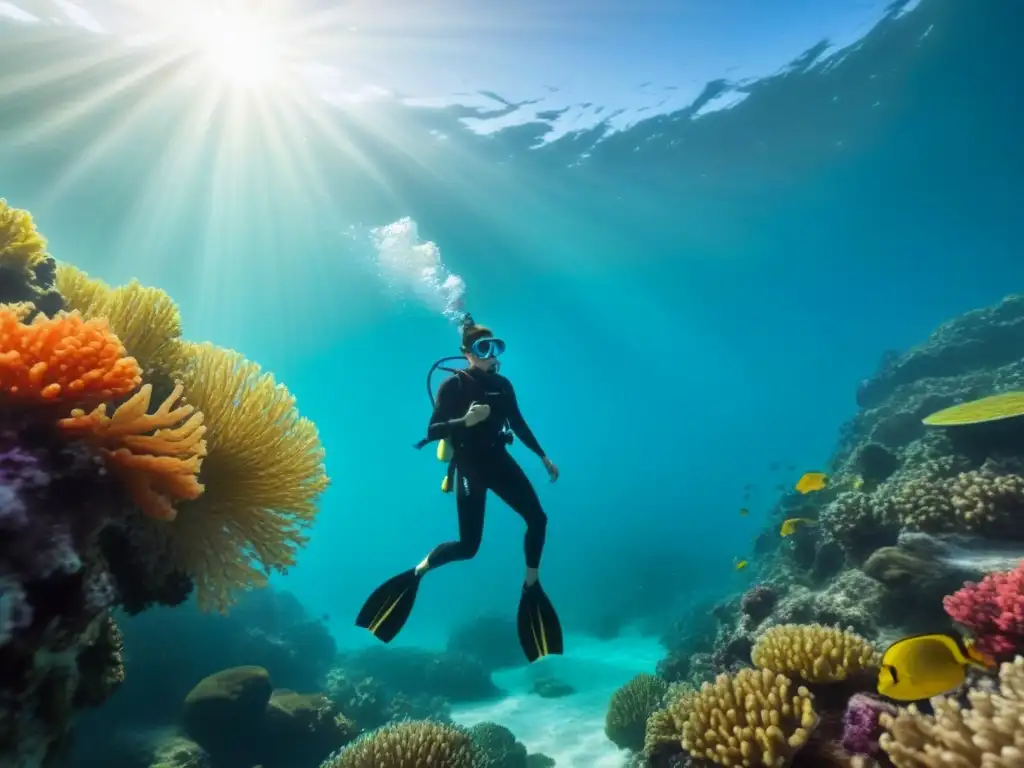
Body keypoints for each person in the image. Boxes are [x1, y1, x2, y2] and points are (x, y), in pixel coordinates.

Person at [355, 318, 564, 662]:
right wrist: (466, 422)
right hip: (469, 467)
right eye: (483, 349)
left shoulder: (503, 385)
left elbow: (519, 422)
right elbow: (433, 430)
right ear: (467, 354)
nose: (491, 355)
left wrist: (542, 456)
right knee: (468, 547)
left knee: (538, 519)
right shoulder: (453, 386)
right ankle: (418, 571)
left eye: (496, 347)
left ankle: (531, 584)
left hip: (498, 460)